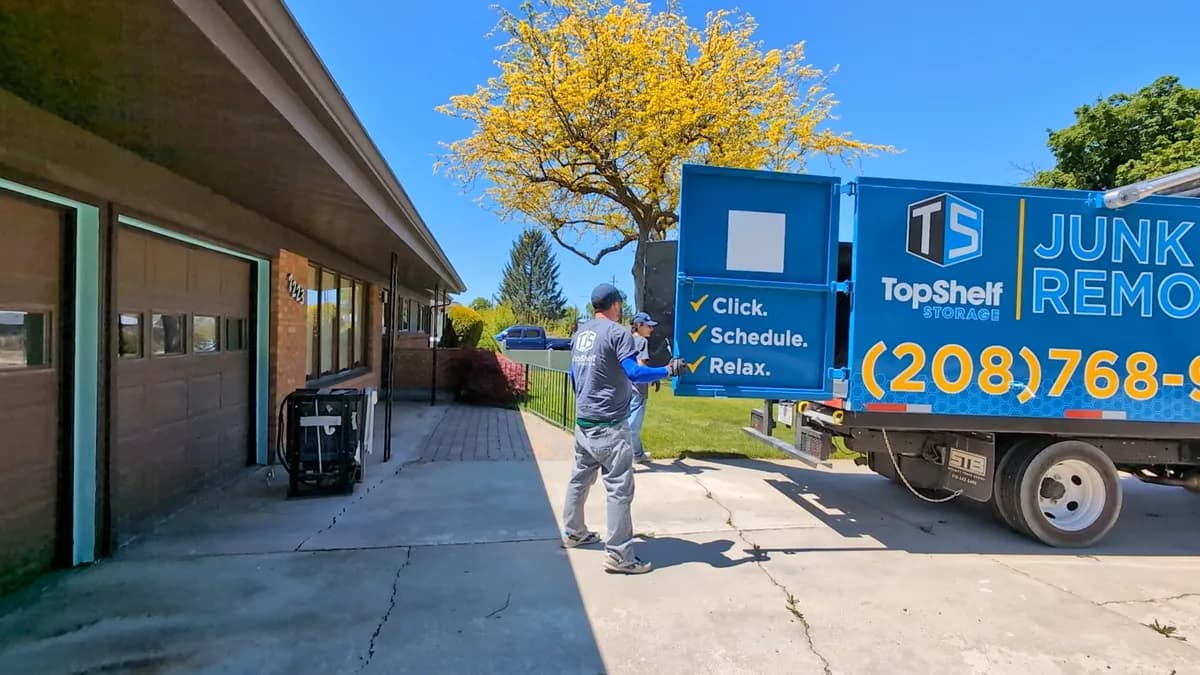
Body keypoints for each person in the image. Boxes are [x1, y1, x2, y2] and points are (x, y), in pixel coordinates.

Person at [562, 283, 684, 574]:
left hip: (584, 422)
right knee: (618, 489)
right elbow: (634, 372)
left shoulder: (581, 334)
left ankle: (573, 532)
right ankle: (620, 556)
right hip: (610, 425)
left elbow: (573, 375)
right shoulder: (618, 334)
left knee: (579, 479)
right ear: (615, 305)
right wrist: (667, 370)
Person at [627, 312, 657, 463]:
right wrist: (654, 375)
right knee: (633, 426)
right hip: (638, 390)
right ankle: (624, 458)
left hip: (625, 387)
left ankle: (638, 454)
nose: (651, 329)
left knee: (627, 423)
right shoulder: (642, 342)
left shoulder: (625, 339)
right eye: (649, 326)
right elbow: (641, 366)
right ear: (639, 325)